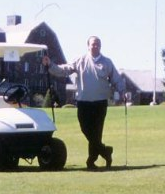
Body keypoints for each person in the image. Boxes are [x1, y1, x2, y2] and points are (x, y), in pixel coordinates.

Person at [43, 36, 125, 170]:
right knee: (86, 129)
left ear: (100, 46)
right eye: (93, 44)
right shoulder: (80, 60)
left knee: (96, 133)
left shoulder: (107, 62)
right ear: (88, 46)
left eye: (97, 44)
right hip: (83, 102)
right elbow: (64, 70)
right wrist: (51, 65)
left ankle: (91, 161)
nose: (95, 46)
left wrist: (122, 91)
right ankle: (105, 151)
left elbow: (116, 78)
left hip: (100, 103)